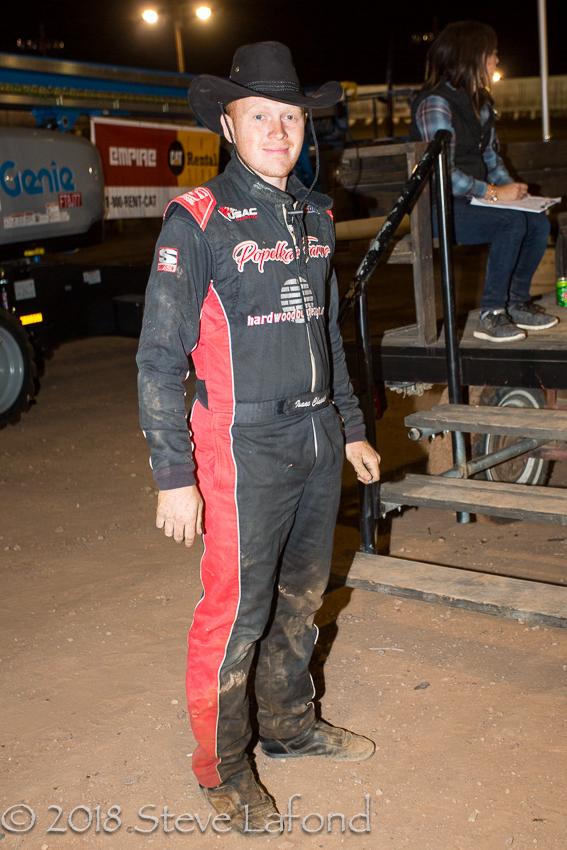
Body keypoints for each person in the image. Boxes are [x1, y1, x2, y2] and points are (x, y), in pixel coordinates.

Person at [136, 41, 380, 834]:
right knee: (235, 613)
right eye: (260, 116)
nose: (278, 131)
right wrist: (174, 473)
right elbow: (158, 356)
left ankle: (288, 726)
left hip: (316, 437)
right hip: (240, 448)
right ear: (227, 125)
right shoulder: (197, 219)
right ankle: (222, 768)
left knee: (301, 599)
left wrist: (349, 426)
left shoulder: (315, 215)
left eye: (290, 118)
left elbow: (327, 332)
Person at [410, 20, 559, 343]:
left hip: (473, 202)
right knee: (510, 223)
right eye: (492, 54)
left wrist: (512, 190)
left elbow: (491, 158)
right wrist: (493, 192)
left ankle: (516, 302)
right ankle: (491, 312)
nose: (496, 61)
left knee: (537, 221)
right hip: (438, 208)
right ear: (471, 57)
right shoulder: (435, 103)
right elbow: (441, 172)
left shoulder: (480, 103)